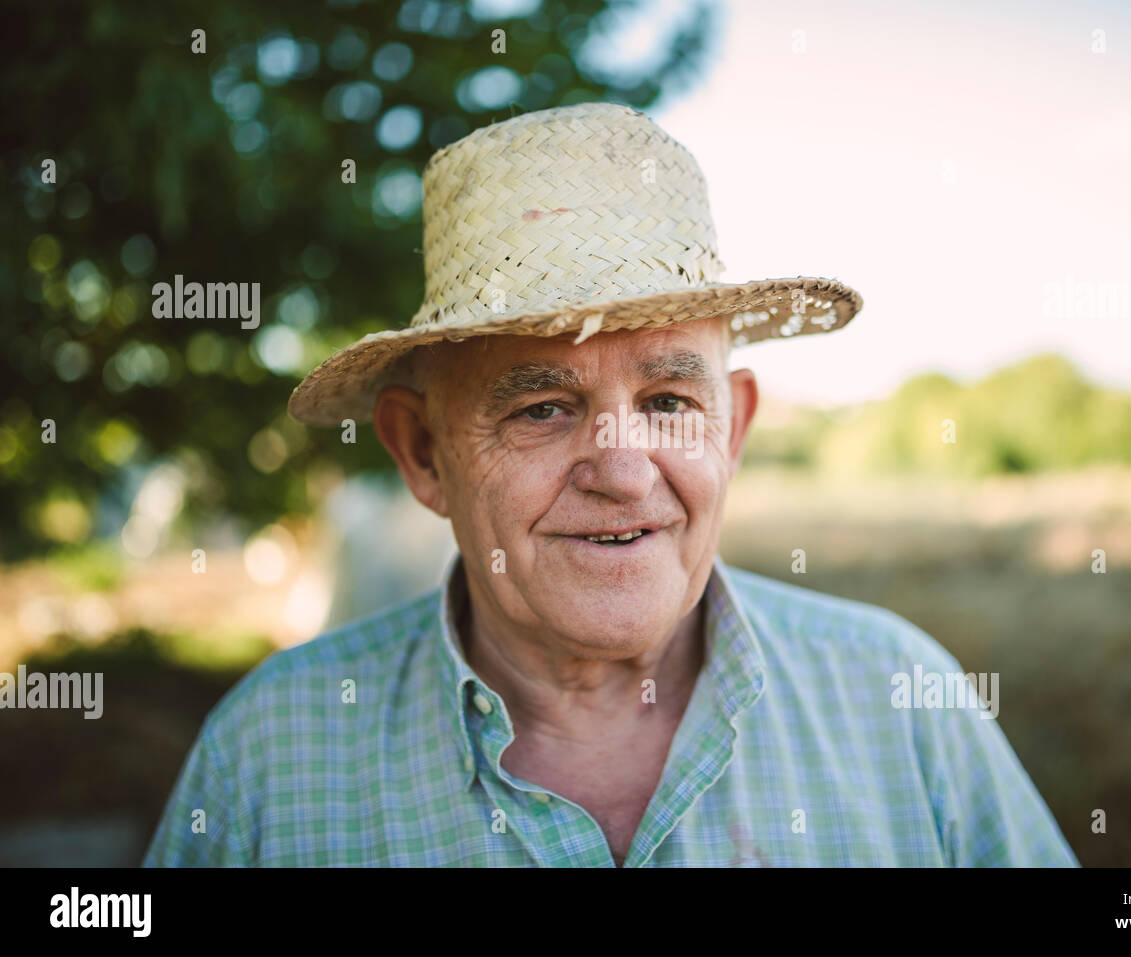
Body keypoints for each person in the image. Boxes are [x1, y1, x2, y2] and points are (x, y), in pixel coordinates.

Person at [144, 102, 1077, 867]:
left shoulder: (901, 699)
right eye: (543, 407)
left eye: (671, 399)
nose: (626, 471)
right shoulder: (271, 754)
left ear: (735, 426)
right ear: (423, 454)